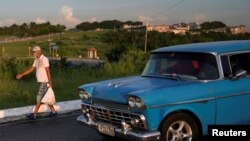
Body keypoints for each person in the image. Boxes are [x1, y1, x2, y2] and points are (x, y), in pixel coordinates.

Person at [16, 46, 57, 120]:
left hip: (45, 82)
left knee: (39, 98)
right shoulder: (36, 60)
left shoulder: (44, 59)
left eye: (34, 52)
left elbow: (48, 71)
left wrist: (50, 82)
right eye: (33, 52)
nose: (33, 53)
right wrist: (22, 74)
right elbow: (31, 69)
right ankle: (53, 112)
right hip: (41, 82)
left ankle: (34, 114)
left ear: (39, 51)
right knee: (45, 98)